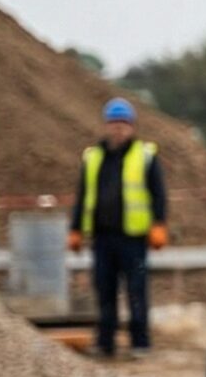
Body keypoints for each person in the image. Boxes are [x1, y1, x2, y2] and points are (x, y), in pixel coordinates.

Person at [70, 97, 168, 359]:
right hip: (102, 237)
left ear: (132, 127)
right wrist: (76, 228)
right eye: (114, 123)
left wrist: (159, 224)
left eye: (123, 123)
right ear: (106, 125)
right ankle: (105, 343)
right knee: (105, 292)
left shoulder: (145, 156)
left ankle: (140, 343)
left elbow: (158, 194)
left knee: (136, 291)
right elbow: (82, 195)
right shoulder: (93, 157)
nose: (118, 128)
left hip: (133, 239)